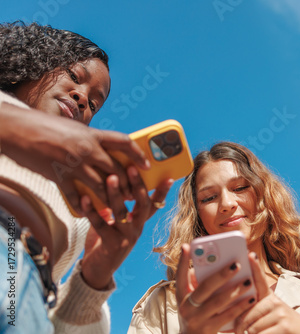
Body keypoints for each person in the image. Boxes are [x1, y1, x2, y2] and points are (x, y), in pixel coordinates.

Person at [0, 22, 172, 333]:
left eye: (93, 104)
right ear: (35, 64)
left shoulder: (81, 193)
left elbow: (62, 326)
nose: (82, 98)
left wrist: (95, 274)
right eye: (74, 76)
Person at [128, 142, 300, 334]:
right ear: (198, 215)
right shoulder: (162, 304)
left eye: (240, 188)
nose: (226, 204)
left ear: (264, 197)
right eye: (209, 197)